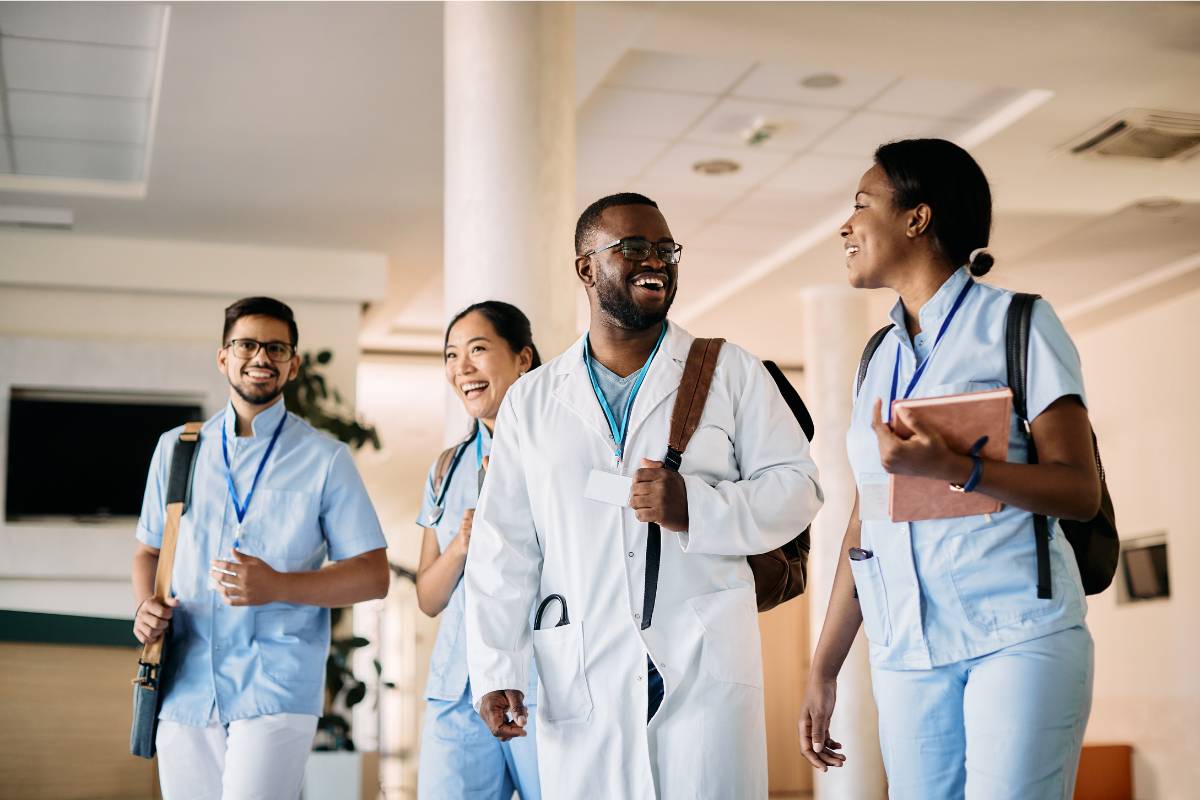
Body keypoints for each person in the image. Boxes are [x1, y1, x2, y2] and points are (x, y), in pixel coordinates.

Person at [463, 193, 824, 798]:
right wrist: (497, 667)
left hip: (701, 662)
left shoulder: (731, 372)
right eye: (632, 247)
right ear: (586, 268)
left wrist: (699, 508)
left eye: (664, 249)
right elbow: (505, 545)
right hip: (583, 666)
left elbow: (799, 487)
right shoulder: (532, 399)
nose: (653, 260)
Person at [799, 139, 1099, 799]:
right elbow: (866, 521)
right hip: (907, 650)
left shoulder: (1017, 323)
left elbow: (1079, 491)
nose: (845, 225)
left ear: (917, 219)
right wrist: (824, 667)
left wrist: (956, 467)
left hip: (1017, 636)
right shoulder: (877, 356)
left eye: (861, 204)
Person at [131, 296, 389, 800]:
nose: (261, 357)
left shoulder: (326, 458)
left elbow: (372, 575)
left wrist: (276, 585)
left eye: (276, 348)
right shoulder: (177, 449)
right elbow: (148, 551)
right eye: (246, 344)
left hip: (276, 685)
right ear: (223, 356)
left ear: (293, 365)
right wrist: (145, 606)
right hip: (184, 683)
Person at [415, 301, 542, 800]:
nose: (461, 368)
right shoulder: (445, 469)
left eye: (478, 350)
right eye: (451, 355)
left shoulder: (559, 454)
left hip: (536, 686)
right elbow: (427, 597)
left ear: (523, 358)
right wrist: (463, 546)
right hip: (457, 691)